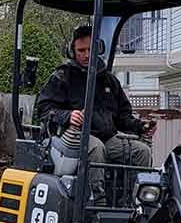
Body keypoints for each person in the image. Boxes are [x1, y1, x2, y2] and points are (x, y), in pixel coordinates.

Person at [36, 24, 156, 175]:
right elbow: (44, 109)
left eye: (90, 50)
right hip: (71, 138)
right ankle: (97, 197)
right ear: (72, 52)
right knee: (96, 148)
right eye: (81, 50)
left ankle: (135, 197)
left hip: (107, 138)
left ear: (98, 49)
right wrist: (68, 116)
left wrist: (141, 126)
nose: (86, 55)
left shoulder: (109, 81)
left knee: (142, 151)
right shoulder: (62, 77)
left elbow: (122, 117)